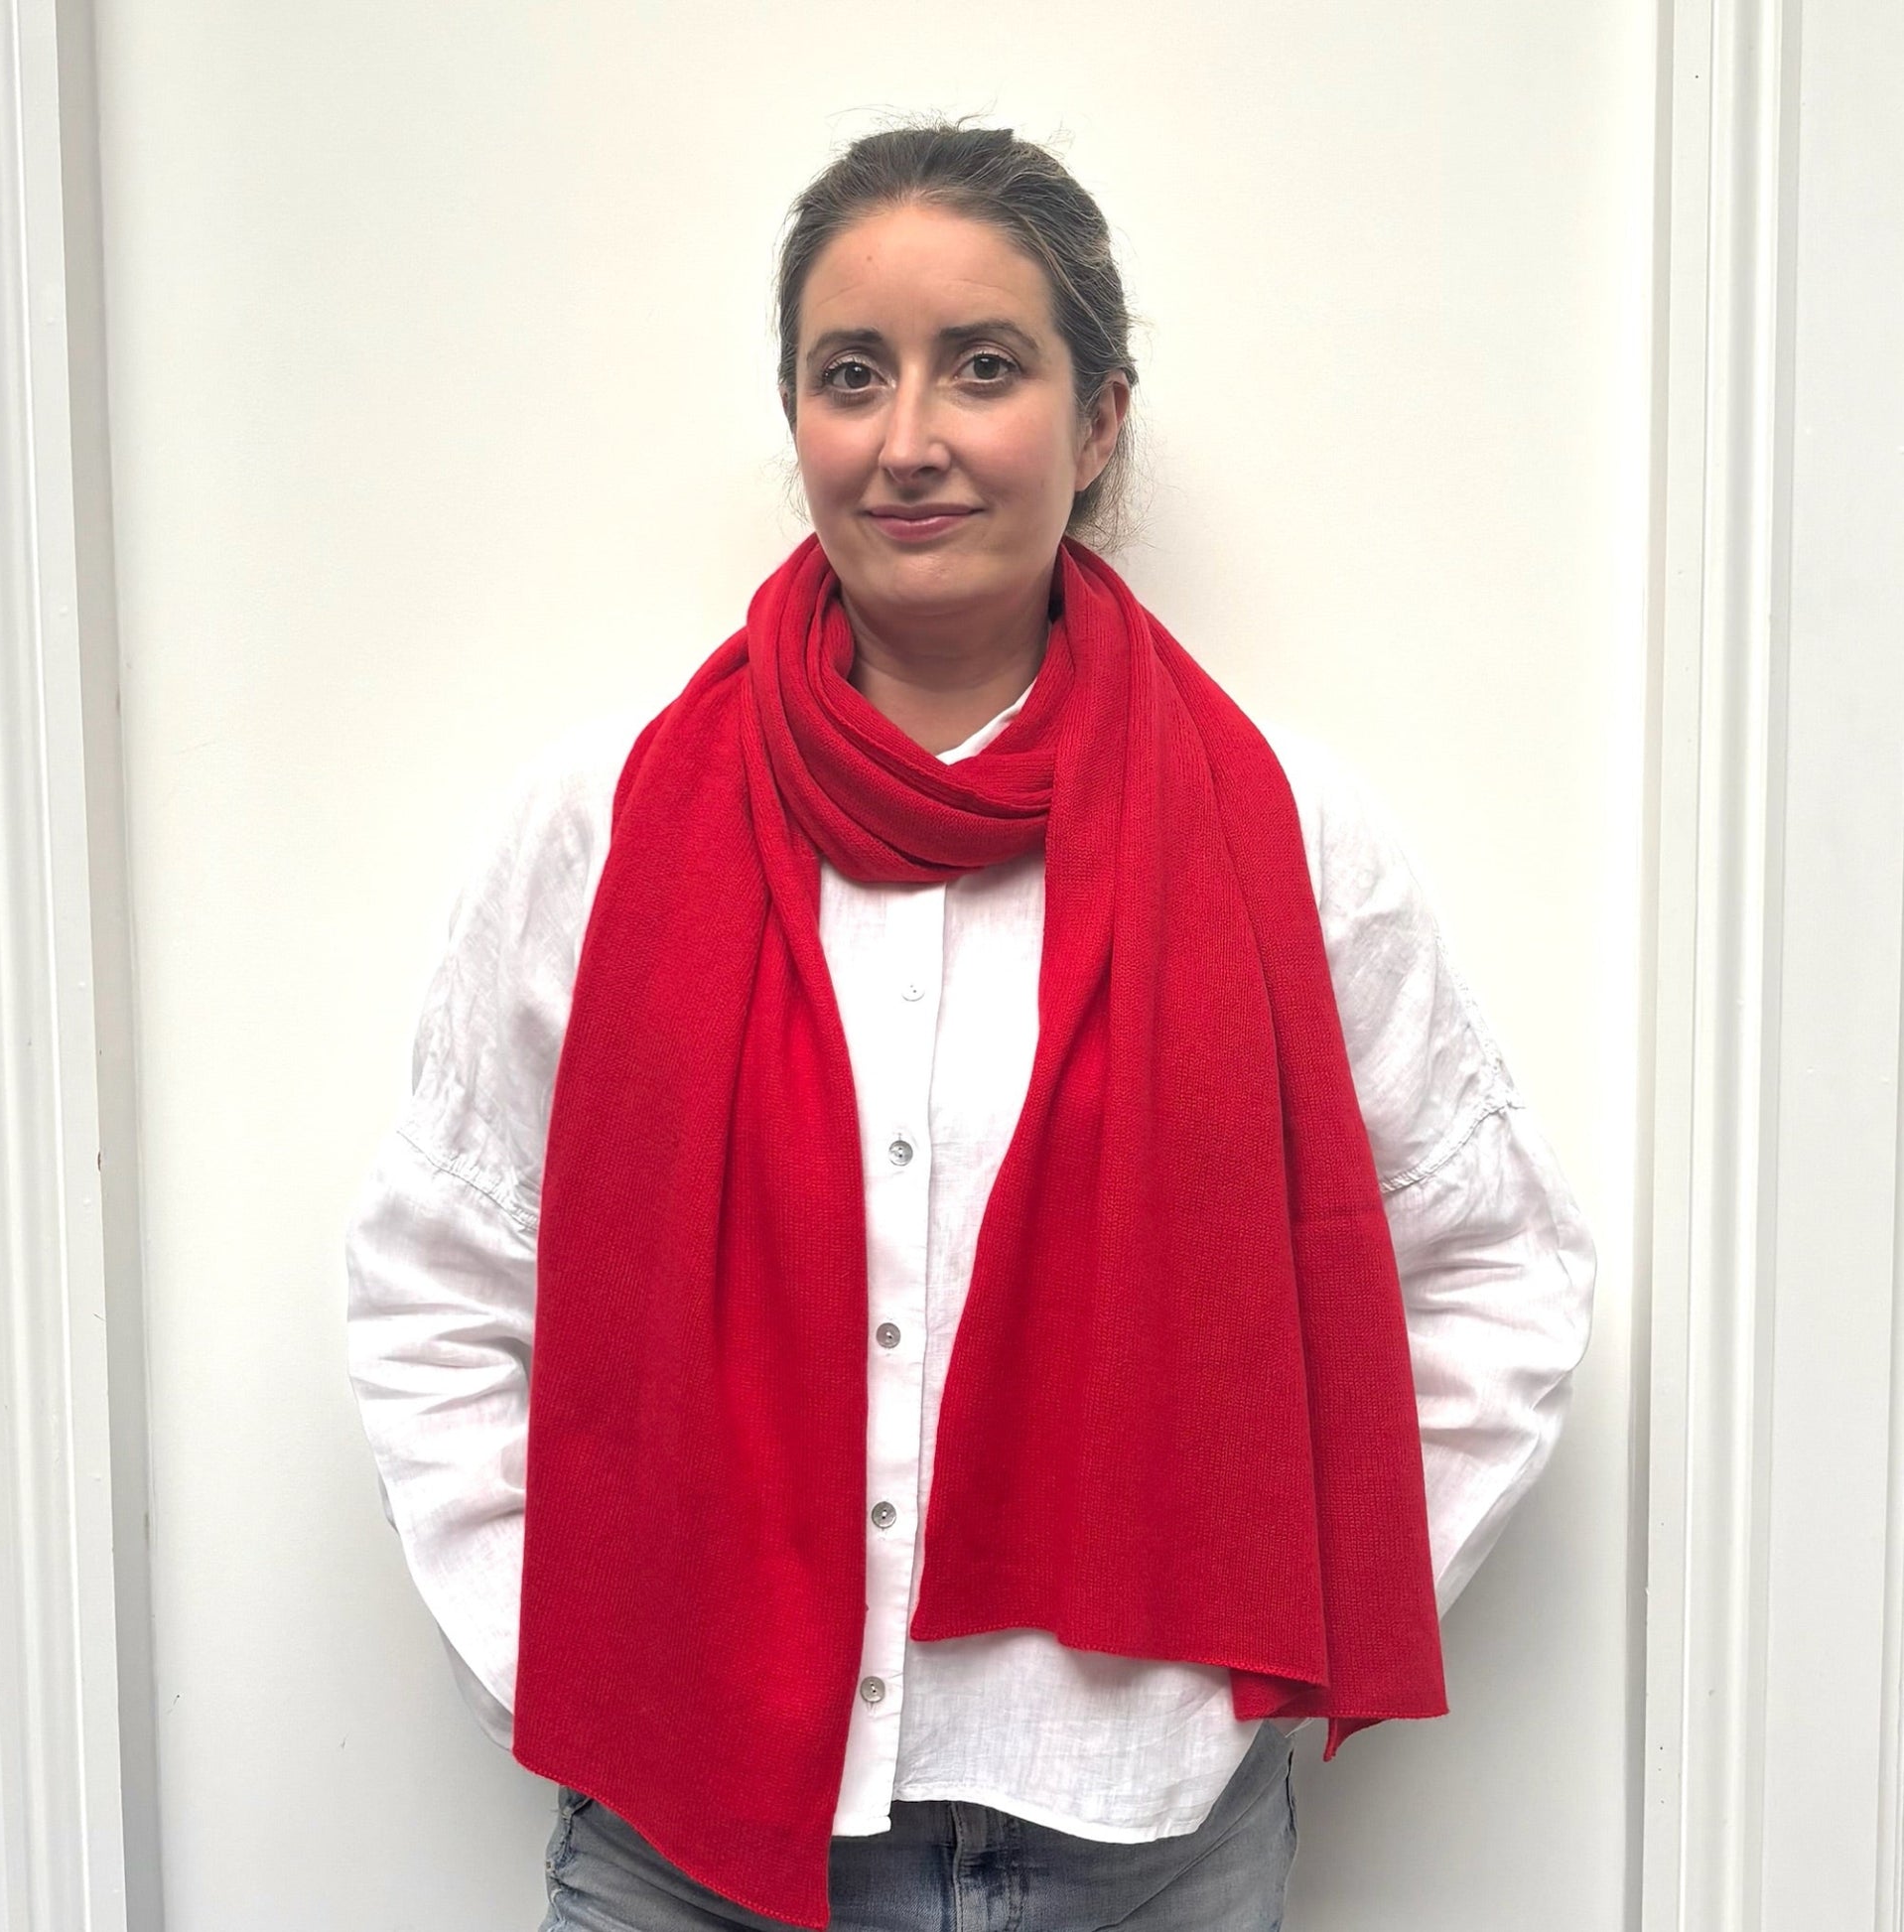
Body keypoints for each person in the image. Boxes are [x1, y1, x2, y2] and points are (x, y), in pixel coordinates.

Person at [343, 118, 1597, 1932]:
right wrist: (565, 1654)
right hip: (680, 1850)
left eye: (982, 367)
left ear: (1095, 425)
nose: (909, 436)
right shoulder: (602, 824)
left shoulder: (1289, 843)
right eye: (851, 374)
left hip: (1143, 1853)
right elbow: (439, 1272)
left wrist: (1267, 1632)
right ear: (797, 421)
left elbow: (1497, 1267)